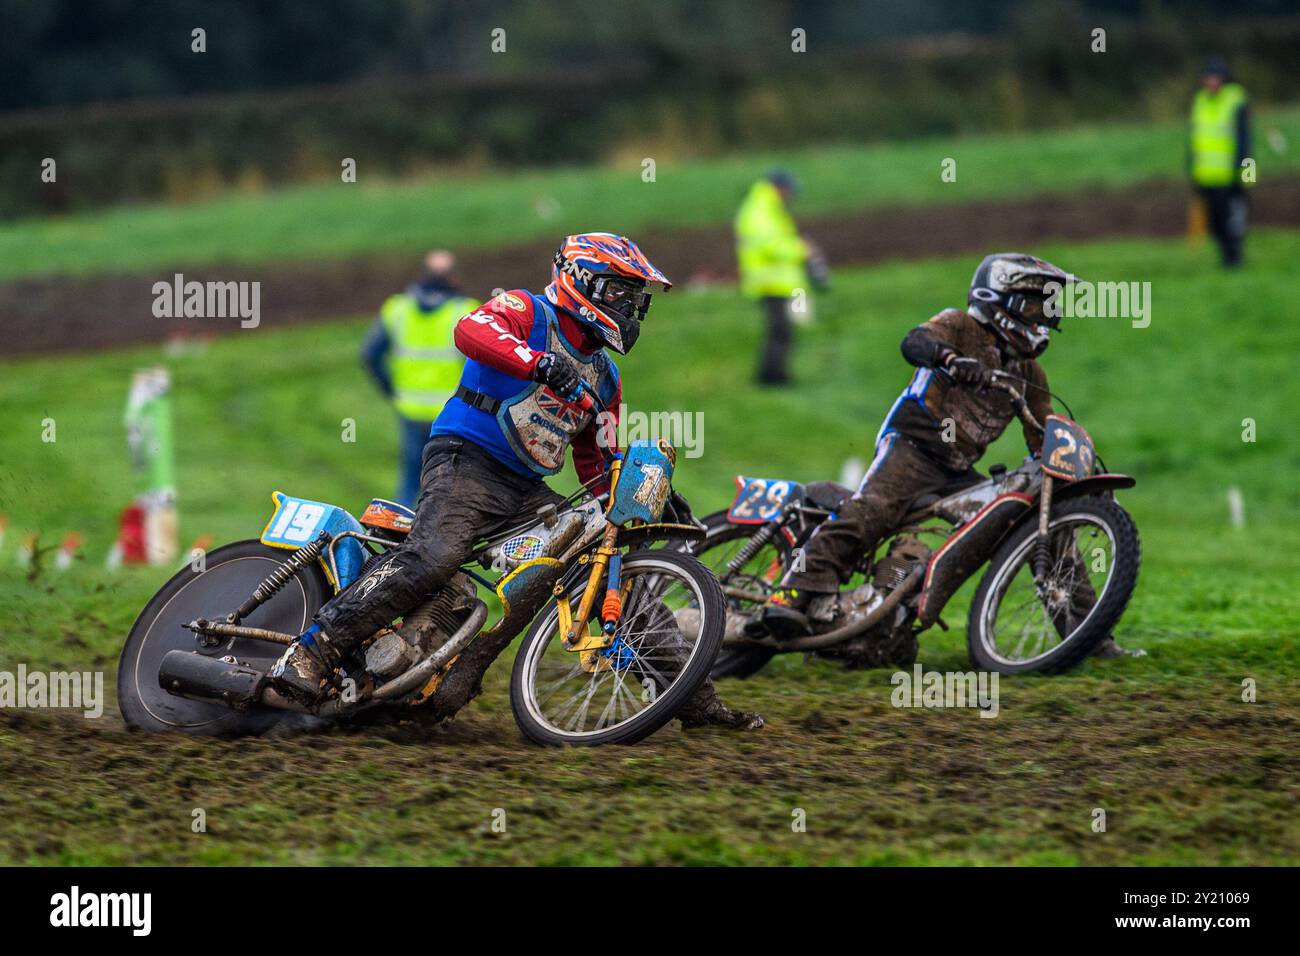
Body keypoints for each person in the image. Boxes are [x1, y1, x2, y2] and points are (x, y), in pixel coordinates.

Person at [273, 233, 762, 727]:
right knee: (434, 557)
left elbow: (597, 459)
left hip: (527, 492)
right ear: (582, 282)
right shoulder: (527, 311)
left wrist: (648, 496)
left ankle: (691, 699)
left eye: (637, 299)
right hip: (466, 461)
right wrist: (538, 363)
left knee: (606, 563)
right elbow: (470, 331)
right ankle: (311, 650)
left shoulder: (606, 378)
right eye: (621, 293)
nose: (632, 308)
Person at [761, 252, 1141, 659]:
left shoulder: (1029, 372)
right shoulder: (960, 325)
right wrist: (952, 360)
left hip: (957, 468)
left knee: (1022, 523)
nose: (1043, 314)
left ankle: (1086, 635)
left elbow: (1041, 429)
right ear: (999, 299)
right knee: (871, 511)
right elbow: (915, 341)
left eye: (1047, 305)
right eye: (1034, 304)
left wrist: (1067, 472)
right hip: (912, 445)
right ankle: (788, 596)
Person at [360, 251, 480, 507]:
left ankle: (390, 534)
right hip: (450, 412)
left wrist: (392, 390)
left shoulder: (398, 308)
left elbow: (369, 354)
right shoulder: (466, 311)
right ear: (454, 277)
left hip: (410, 408)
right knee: (447, 480)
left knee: (410, 479)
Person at [734, 170, 827, 386]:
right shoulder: (762, 210)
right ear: (780, 188)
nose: (791, 196)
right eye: (789, 191)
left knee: (781, 331)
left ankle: (774, 374)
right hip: (770, 282)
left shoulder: (767, 207)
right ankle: (772, 377)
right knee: (780, 331)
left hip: (776, 282)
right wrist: (801, 250)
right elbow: (769, 245)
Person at [1189, 57, 1251, 268]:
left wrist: (1245, 174)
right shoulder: (1200, 101)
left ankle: (1234, 260)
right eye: (1208, 78)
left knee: (1233, 220)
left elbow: (1246, 140)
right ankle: (1226, 257)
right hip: (1206, 174)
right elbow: (1195, 139)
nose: (1211, 82)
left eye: (1215, 78)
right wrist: (1192, 169)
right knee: (1214, 224)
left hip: (1230, 174)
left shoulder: (1236, 100)